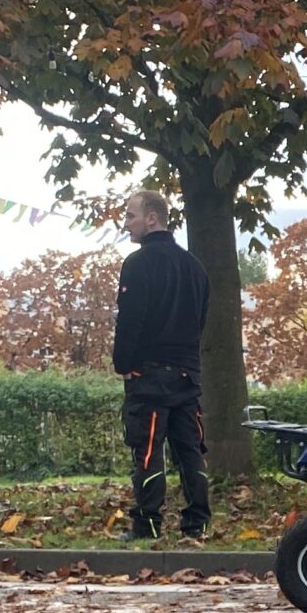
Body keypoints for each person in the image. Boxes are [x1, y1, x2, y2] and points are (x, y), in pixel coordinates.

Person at [112, 188, 211, 541]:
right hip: (188, 374)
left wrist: (124, 363)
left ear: (151, 218)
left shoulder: (137, 265)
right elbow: (200, 321)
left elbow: (130, 320)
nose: (126, 224)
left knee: (148, 450)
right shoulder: (195, 267)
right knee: (190, 450)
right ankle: (196, 524)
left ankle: (148, 524)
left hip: (149, 375)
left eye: (130, 216)